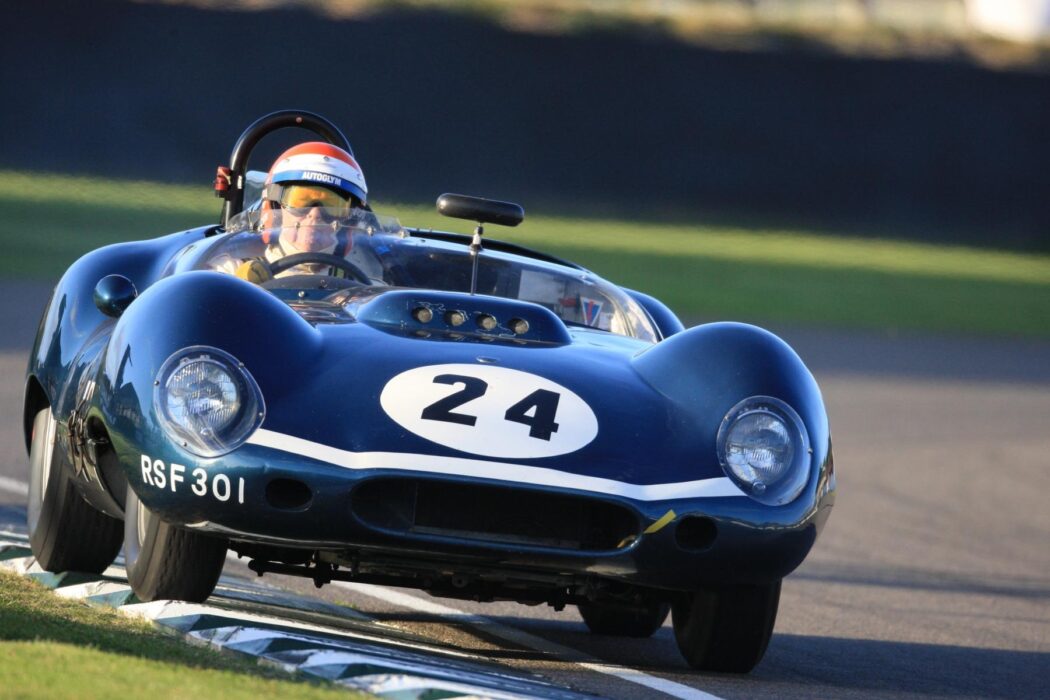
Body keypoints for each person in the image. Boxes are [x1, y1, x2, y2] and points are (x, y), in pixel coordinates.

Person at [233, 141, 372, 282]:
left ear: (350, 219)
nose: (315, 214)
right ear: (275, 207)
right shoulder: (231, 272)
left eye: (332, 205)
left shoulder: (366, 285)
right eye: (301, 199)